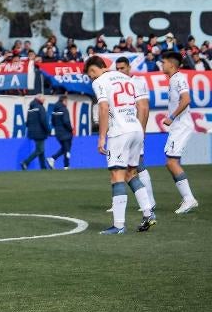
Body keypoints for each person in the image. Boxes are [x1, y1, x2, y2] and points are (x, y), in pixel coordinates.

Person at [85, 56, 155, 234]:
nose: (91, 77)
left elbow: (102, 108)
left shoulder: (100, 81)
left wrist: (101, 137)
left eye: (91, 73)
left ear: (97, 68)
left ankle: (118, 225)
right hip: (136, 128)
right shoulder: (126, 78)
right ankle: (148, 213)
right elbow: (141, 105)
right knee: (131, 174)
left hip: (119, 132)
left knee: (116, 175)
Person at [113, 57, 156, 214]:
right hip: (123, 130)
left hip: (134, 130)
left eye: (122, 68)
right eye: (117, 68)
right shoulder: (117, 84)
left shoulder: (137, 82)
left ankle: (150, 202)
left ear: (129, 67)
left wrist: (141, 130)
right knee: (125, 165)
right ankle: (120, 199)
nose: (120, 71)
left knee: (137, 165)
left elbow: (143, 108)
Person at [160, 51, 198, 213]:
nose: (162, 65)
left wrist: (172, 116)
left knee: (171, 162)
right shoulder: (173, 79)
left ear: (171, 64)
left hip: (181, 125)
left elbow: (186, 99)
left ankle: (189, 199)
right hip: (178, 126)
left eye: (164, 62)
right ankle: (187, 198)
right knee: (170, 162)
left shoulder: (179, 78)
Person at [20, 94, 50, 170]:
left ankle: (43, 167)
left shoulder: (30, 109)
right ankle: (26, 162)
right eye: (43, 98)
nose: (44, 100)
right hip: (40, 132)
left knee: (41, 150)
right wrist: (48, 130)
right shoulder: (41, 107)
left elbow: (27, 122)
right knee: (39, 150)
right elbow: (44, 121)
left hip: (32, 132)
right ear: (39, 98)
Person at [47, 94, 73, 169]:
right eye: (66, 101)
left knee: (65, 148)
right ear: (64, 101)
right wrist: (71, 129)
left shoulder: (54, 110)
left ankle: (53, 159)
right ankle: (66, 166)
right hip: (66, 133)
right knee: (67, 149)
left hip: (58, 133)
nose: (67, 103)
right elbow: (66, 121)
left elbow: (52, 121)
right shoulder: (64, 109)